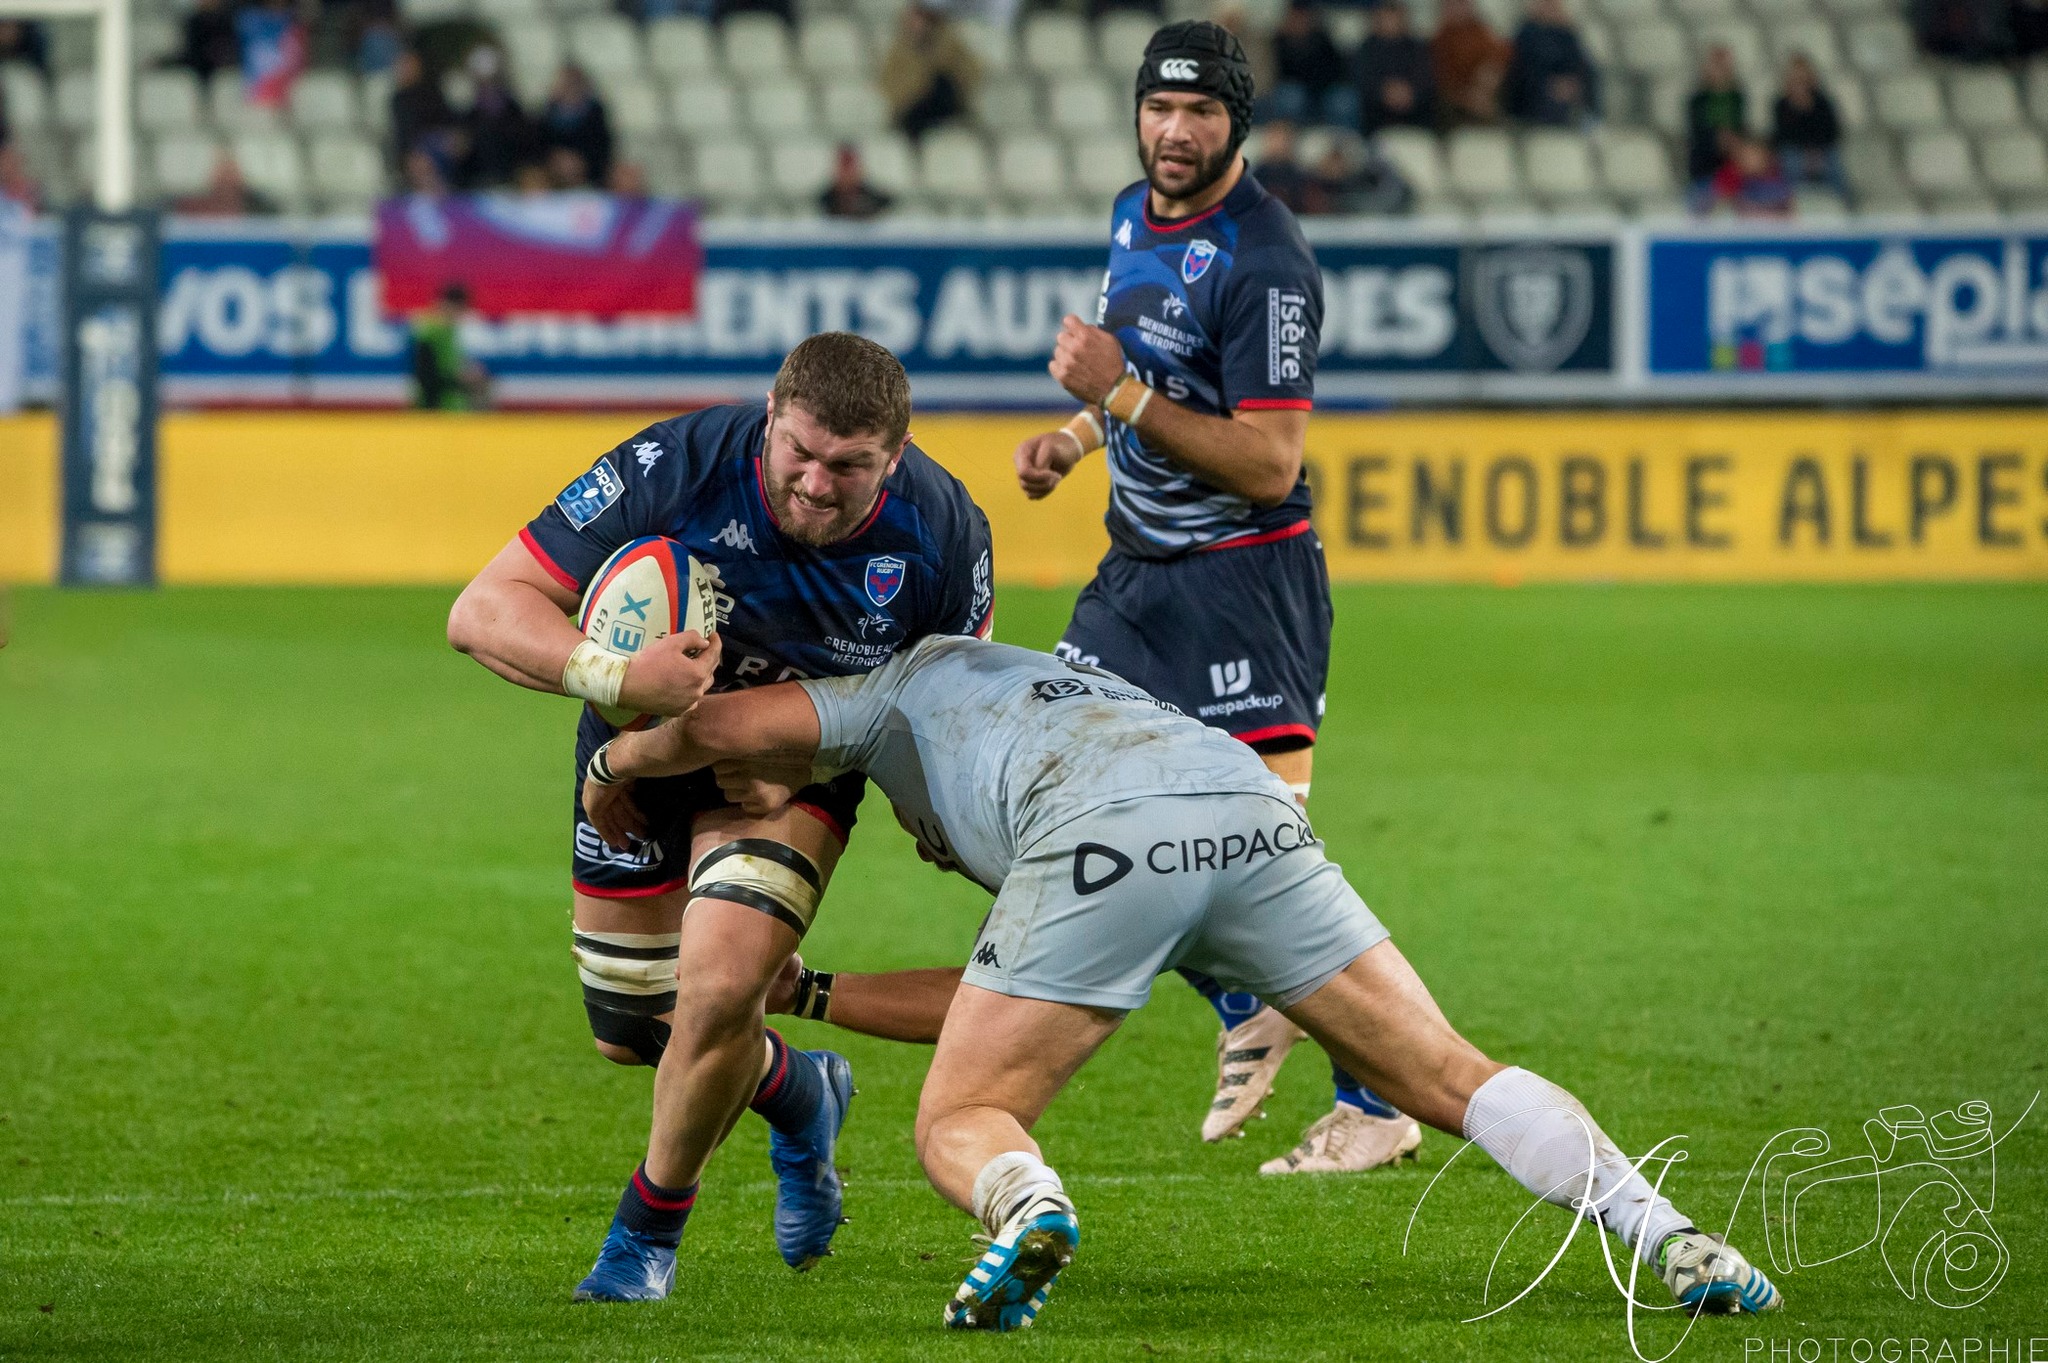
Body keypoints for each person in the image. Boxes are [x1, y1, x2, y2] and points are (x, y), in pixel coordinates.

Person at [580, 633, 1790, 1332]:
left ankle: (1025, 1206)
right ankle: (1671, 1235)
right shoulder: (1054, 685)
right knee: (1446, 1074)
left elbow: (731, 728)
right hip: (1242, 806)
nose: (923, 846)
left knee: (960, 1117)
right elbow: (1002, 991)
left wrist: (620, 757)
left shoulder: (887, 691)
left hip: (1104, 832)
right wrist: (816, 992)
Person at [798, 20, 1421, 1177]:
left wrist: (1117, 397)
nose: (1173, 132)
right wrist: (1079, 436)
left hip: (1246, 588)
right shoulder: (1133, 214)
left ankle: (1372, 1095)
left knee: (1260, 847)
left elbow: (1269, 462)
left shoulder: (1267, 256)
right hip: (1135, 581)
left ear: (1237, 120)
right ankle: (1247, 1000)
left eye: (1197, 113)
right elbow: (1153, 376)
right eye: (1157, 110)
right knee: (1066, 809)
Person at [444, 333, 995, 1299]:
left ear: (894, 456)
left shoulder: (944, 531)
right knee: (634, 1028)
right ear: (771, 417)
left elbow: (947, 710)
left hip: (793, 775)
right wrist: (617, 674)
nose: (820, 485)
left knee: (719, 985)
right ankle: (798, 1089)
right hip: (645, 749)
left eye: (851, 466)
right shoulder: (678, 462)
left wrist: (817, 766)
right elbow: (485, 607)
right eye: (802, 454)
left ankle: (643, 1241)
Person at [880, 1, 980, 141]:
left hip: (947, 107)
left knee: (943, 82)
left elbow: (973, 73)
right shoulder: (898, 53)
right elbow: (893, 91)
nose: (918, 25)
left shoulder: (949, 46)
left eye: (922, 19)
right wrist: (923, 79)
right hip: (914, 112)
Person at [1503, 0, 1597, 127]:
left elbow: (1582, 68)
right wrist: (1551, 86)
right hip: (1534, 102)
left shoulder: (1568, 37)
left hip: (1567, 100)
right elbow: (1522, 74)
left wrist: (1571, 86)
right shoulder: (1526, 35)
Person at [1770, 54, 1848, 203]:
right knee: (1790, 161)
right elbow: (1783, 135)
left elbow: (1831, 132)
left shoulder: (1823, 102)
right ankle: (1794, 205)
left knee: (1834, 163)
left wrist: (1815, 152)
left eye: (1803, 77)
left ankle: (1844, 207)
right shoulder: (1781, 104)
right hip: (1795, 151)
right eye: (1795, 77)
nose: (1800, 81)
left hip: (1822, 150)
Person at [1264, 2, 1352, 128]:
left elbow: (1335, 70)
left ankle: (1341, 139)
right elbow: (1276, 74)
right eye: (1296, 17)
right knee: (1291, 97)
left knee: (1342, 100)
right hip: (1293, 90)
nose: (1300, 22)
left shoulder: (1322, 40)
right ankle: (1289, 136)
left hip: (1323, 89)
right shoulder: (1279, 42)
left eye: (1303, 17)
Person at [1353, 1, 1436, 135]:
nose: (1390, 23)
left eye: (1394, 19)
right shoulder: (1367, 48)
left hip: (1414, 107)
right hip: (1376, 109)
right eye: (1386, 19)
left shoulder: (1417, 47)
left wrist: (1410, 92)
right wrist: (1384, 92)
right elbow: (1362, 78)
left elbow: (1426, 77)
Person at [409, 282, 489, 410]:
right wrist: (462, 380)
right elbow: (426, 377)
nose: (461, 316)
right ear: (446, 304)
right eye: (460, 310)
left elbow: (450, 366)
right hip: (433, 409)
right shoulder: (427, 333)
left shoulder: (450, 332)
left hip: (452, 408)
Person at [1433, 0, 1510, 127]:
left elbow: (1501, 55)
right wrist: (1468, 98)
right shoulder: (1441, 38)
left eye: (1461, 5)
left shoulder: (1481, 31)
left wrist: (1488, 79)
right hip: (1454, 102)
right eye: (1452, 5)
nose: (1458, 10)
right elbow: (1442, 80)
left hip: (1484, 95)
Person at [538, 64, 612, 189]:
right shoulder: (546, 113)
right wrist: (555, 160)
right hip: (553, 176)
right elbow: (539, 145)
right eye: (566, 83)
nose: (570, 88)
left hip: (589, 177)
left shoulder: (596, 113)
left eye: (575, 83)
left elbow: (602, 147)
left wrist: (580, 162)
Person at [1685, 44, 1745, 191]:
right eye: (1716, 65)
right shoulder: (1698, 99)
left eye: (1723, 65)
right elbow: (1696, 128)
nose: (1720, 70)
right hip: (1706, 149)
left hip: (1733, 149)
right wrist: (1718, 137)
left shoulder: (1737, 97)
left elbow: (1741, 125)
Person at [1691, 134, 1791, 218]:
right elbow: (1719, 203)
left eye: (1755, 155)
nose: (1751, 160)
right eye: (1747, 155)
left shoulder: (1773, 177)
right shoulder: (1729, 174)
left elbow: (1785, 205)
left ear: (1766, 157)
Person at [174, 150, 280, 215]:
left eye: (231, 173)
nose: (226, 180)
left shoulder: (262, 211)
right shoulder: (191, 210)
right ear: (212, 176)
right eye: (222, 173)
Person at [818, 143, 893, 220]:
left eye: (850, 165)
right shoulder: (821, 202)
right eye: (844, 165)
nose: (847, 171)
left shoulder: (878, 200)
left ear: (860, 168)